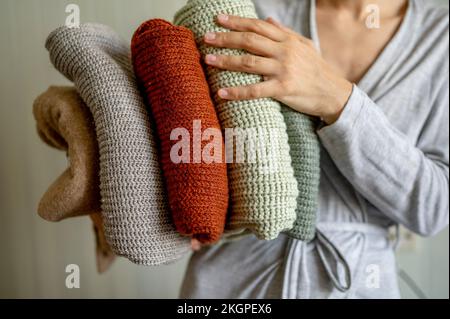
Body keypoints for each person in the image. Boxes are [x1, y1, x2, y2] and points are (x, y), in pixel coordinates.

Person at [182, 0, 449, 299]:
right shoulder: (255, 8)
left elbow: (434, 208)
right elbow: (188, 124)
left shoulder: (441, 37)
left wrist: (337, 99)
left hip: (358, 284)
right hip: (229, 282)